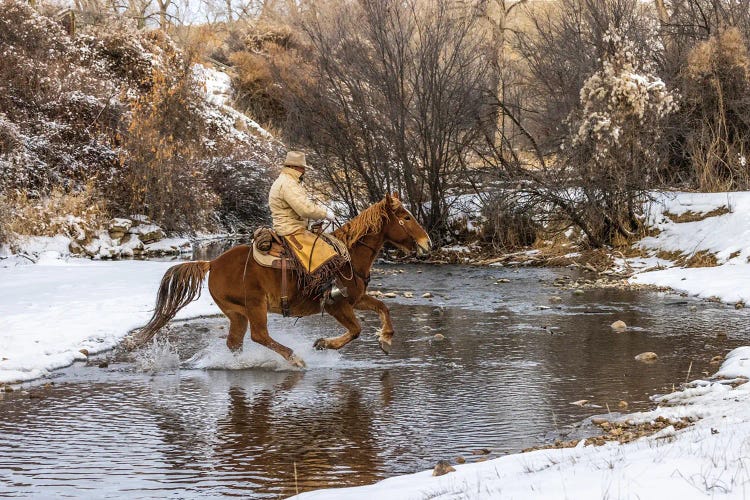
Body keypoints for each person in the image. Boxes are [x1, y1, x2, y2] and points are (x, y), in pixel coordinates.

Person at [268, 151, 346, 303]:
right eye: (302, 168)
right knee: (324, 252)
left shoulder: (288, 181)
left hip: (292, 226)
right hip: (290, 229)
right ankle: (322, 291)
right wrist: (325, 214)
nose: (304, 171)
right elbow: (304, 208)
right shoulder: (288, 184)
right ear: (295, 167)